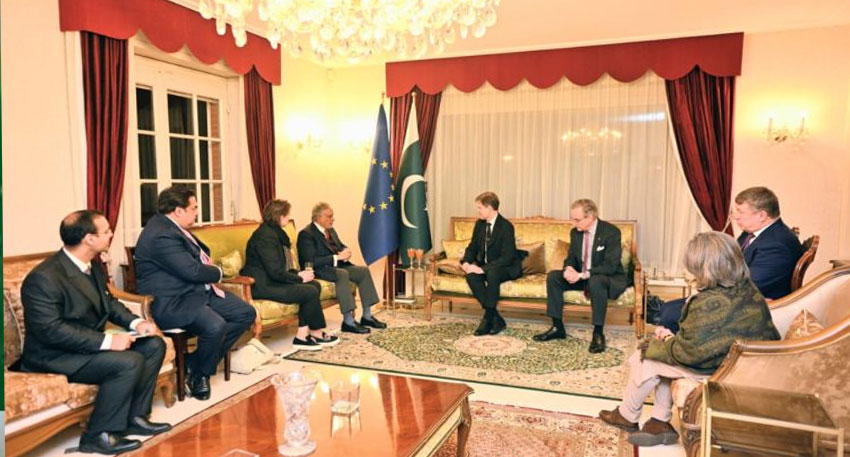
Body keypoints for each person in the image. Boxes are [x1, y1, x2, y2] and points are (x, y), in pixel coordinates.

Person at [598, 231, 781, 447]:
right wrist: (673, 339)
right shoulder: (745, 286)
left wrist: (667, 339)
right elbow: (704, 341)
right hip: (747, 363)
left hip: (726, 370)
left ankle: (627, 416)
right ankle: (659, 421)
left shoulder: (710, 302)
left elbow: (689, 353)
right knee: (660, 357)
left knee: (644, 356)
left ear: (705, 267)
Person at [15, 210, 171, 454]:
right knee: (128, 362)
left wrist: (137, 323)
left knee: (153, 345)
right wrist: (107, 341)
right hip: (54, 355)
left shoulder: (92, 266)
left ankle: (136, 417)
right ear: (89, 239)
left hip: (85, 346)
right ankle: (98, 435)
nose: (111, 234)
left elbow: (109, 303)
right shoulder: (44, 278)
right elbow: (51, 331)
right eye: (106, 231)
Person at [135, 186, 257, 401]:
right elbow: (191, 271)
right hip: (172, 301)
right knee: (215, 326)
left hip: (196, 292)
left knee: (245, 313)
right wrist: (219, 272)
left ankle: (193, 362)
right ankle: (201, 374)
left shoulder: (174, 227)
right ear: (178, 210)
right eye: (194, 208)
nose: (197, 213)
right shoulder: (160, 234)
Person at [657, 186, 802, 332]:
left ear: (762, 215)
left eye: (740, 212)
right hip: (736, 297)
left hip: (749, 307)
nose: (735, 217)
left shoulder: (777, 245)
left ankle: (680, 344)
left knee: (670, 314)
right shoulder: (752, 234)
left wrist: (705, 294)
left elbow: (749, 285)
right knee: (667, 308)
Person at [241, 199, 339, 351]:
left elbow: (279, 268)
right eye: (287, 215)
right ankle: (314, 333)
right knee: (309, 290)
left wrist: (299, 274)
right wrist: (299, 278)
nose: (288, 218)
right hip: (261, 285)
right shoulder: (265, 236)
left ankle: (303, 334)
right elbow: (274, 271)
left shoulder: (274, 233)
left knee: (313, 284)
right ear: (280, 216)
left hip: (272, 279)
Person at [536, 199, 627, 353]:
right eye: (572, 219)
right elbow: (571, 257)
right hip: (582, 276)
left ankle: (598, 332)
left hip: (605, 278)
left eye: (577, 220)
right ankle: (557, 327)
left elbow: (610, 266)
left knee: (596, 281)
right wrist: (568, 269)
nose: (573, 223)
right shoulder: (575, 233)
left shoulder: (611, 232)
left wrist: (583, 275)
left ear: (590, 217)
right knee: (553, 277)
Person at [297, 202, 384, 334]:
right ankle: (348, 322)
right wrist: (337, 257)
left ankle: (367, 316)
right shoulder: (306, 234)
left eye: (332, 216)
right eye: (329, 216)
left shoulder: (330, 230)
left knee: (363, 271)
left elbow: (339, 246)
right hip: (320, 269)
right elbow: (310, 261)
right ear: (318, 217)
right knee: (342, 274)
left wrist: (346, 250)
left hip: (337, 266)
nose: (333, 219)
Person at [460, 192, 523, 336]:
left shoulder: (506, 226)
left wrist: (483, 269)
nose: (478, 211)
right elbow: (473, 246)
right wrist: (466, 262)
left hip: (507, 267)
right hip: (487, 267)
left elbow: (507, 257)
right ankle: (495, 317)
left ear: (490, 208)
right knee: (471, 276)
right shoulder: (479, 224)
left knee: (492, 274)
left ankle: (487, 319)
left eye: (480, 208)